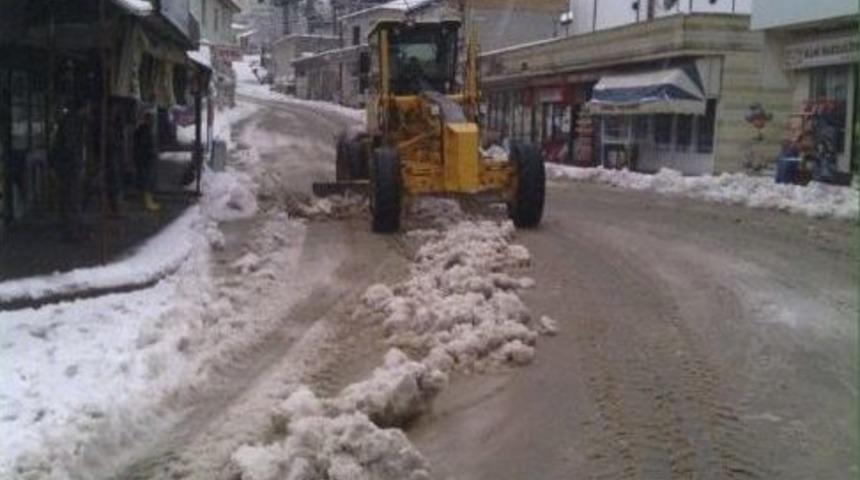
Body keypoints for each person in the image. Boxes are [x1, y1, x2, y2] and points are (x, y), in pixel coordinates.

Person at [52, 100, 87, 241]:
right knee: (72, 199)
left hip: (66, 166)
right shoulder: (72, 124)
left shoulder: (70, 122)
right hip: (69, 167)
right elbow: (70, 147)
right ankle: (72, 231)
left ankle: (71, 228)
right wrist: (77, 164)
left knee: (69, 198)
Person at [133, 108, 160, 212]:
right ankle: (148, 202)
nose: (152, 122)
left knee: (146, 180)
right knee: (147, 180)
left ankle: (147, 201)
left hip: (143, 159)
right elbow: (146, 146)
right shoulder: (145, 131)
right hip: (145, 159)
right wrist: (152, 153)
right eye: (151, 120)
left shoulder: (142, 130)